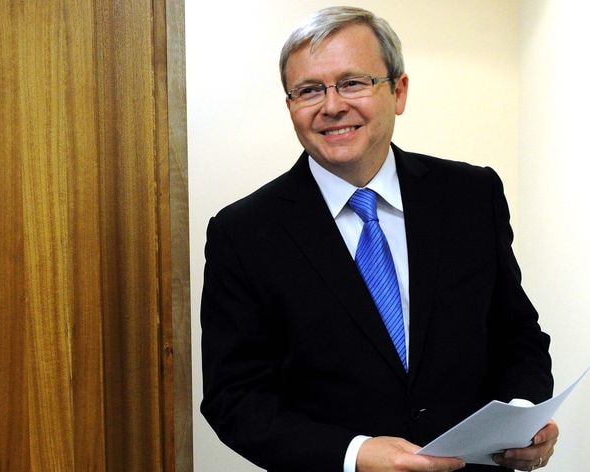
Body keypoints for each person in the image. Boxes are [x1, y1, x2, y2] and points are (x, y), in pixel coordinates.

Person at [200, 6, 557, 472]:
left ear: (399, 91)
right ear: (290, 106)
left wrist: (524, 415)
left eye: (352, 82)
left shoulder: (472, 196)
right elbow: (235, 399)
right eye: (309, 90)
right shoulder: (242, 233)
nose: (331, 106)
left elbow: (518, 336)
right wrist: (355, 454)